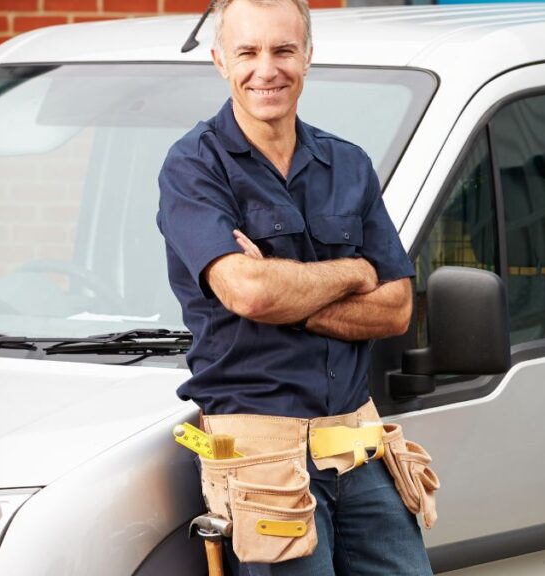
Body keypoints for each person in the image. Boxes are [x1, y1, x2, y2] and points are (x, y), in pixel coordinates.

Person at [156, 0, 432, 573]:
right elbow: (249, 293)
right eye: (248, 52)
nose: (267, 69)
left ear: (307, 56)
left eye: (283, 50)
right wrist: (353, 274)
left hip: (357, 446)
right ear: (219, 61)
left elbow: (397, 308)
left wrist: (291, 298)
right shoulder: (194, 167)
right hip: (259, 459)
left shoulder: (347, 165)